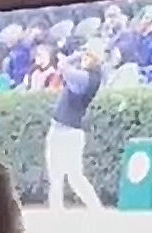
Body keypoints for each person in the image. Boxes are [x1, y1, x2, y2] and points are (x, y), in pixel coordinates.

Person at [45, 42, 106, 210]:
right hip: (58, 128)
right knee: (55, 176)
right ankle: (56, 211)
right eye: (85, 57)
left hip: (70, 132)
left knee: (74, 176)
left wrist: (76, 55)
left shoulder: (90, 78)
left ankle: (96, 208)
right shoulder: (85, 74)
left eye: (89, 57)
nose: (85, 60)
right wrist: (83, 52)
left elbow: (64, 67)